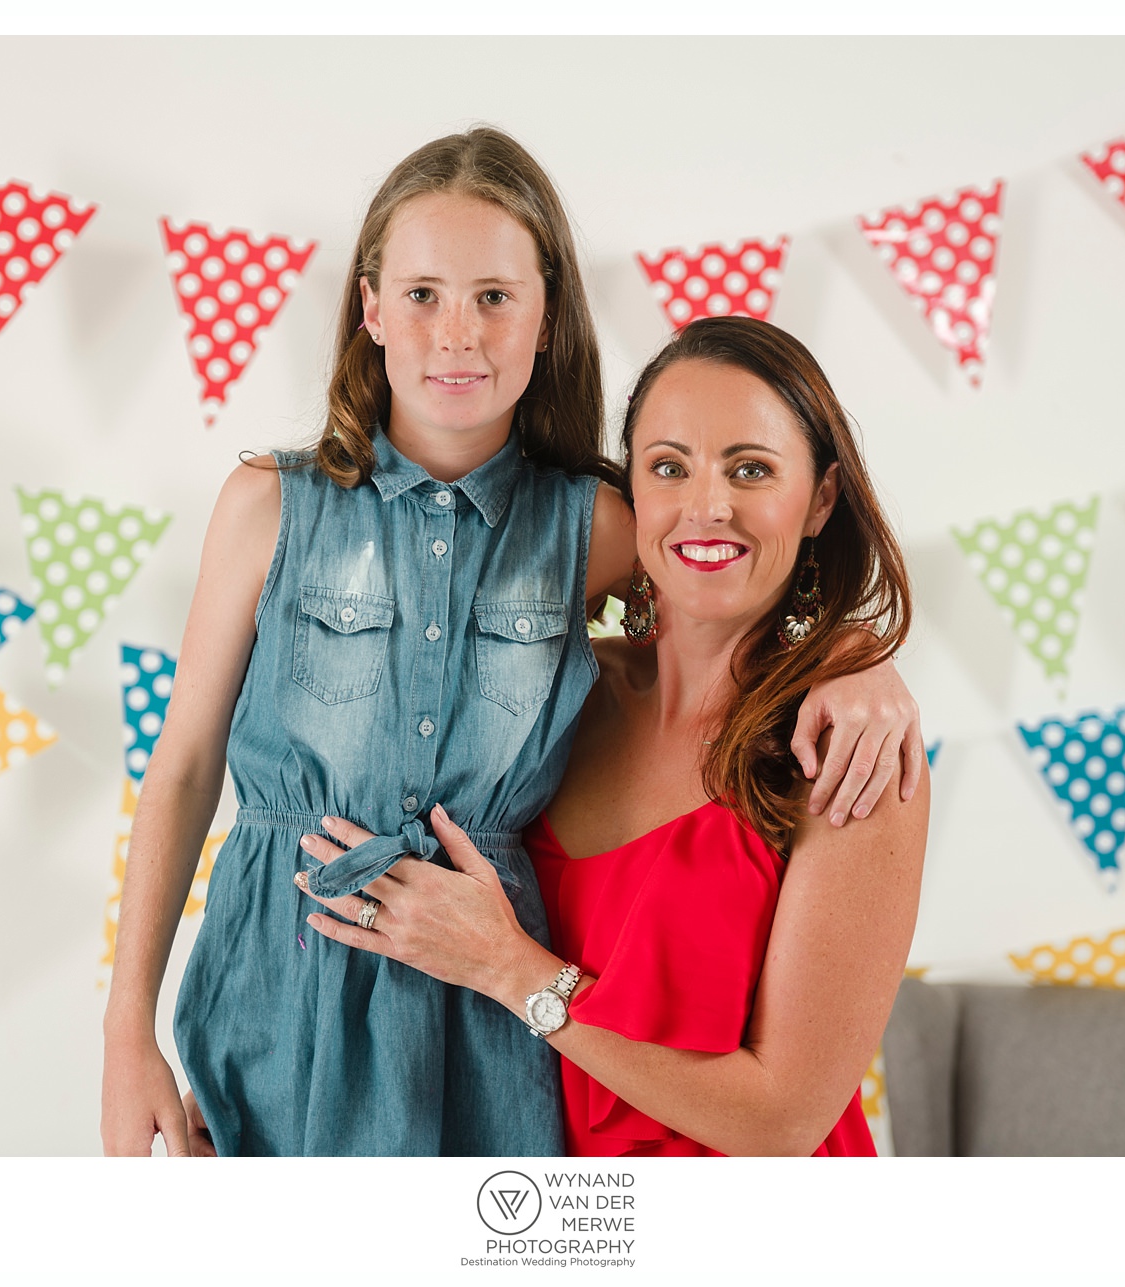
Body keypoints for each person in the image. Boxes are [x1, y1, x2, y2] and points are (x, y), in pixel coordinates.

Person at [101, 129, 925, 1158]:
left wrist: (856, 656)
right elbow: (181, 769)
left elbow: (724, 588)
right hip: (278, 993)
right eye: (421, 295)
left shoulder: (598, 524)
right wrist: (125, 1028)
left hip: (484, 1025)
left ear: (546, 320)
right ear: (368, 308)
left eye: (495, 296)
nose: (458, 333)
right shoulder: (268, 506)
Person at [299, 316, 928, 1156]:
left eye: (752, 468)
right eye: (669, 466)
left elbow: (782, 1120)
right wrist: (249, 1086)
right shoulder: (547, 694)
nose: (707, 504)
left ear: (820, 499)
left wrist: (513, 970)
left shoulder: (849, 753)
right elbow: (387, 905)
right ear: (630, 494)